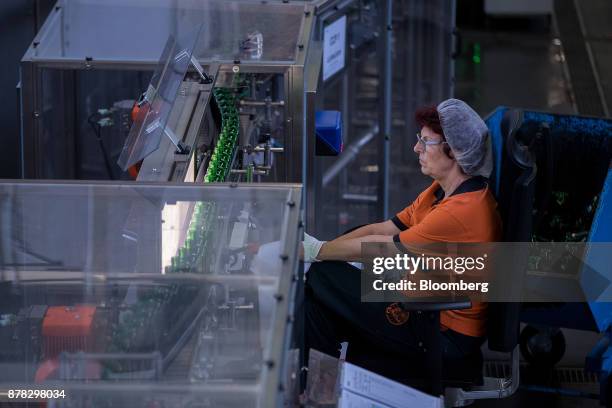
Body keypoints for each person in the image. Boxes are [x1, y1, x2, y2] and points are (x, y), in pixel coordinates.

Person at [302, 98, 502, 381]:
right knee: (319, 300)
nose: (416, 148)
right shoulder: (440, 191)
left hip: (441, 330)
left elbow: (383, 249)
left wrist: (317, 251)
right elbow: (385, 229)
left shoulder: (461, 211)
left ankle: (318, 383)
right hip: (417, 295)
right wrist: (322, 248)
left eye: (426, 142)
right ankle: (316, 387)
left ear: (453, 151)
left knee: (323, 276)